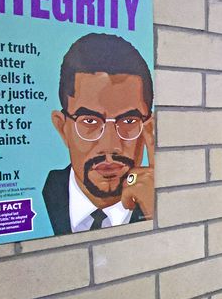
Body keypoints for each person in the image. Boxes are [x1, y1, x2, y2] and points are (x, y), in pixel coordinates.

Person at [43, 33, 155, 235]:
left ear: (150, 129)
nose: (110, 145)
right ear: (63, 128)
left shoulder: (158, 203)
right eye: (90, 122)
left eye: (129, 121)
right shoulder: (40, 199)